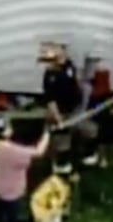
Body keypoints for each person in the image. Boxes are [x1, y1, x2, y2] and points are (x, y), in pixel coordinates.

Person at [39, 43, 101, 174]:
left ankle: (88, 155)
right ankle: (61, 165)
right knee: (62, 141)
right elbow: (51, 102)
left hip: (76, 109)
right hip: (62, 113)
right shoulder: (49, 77)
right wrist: (58, 119)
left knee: (91, 130)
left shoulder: (68, 65)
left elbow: (75, 79)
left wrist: (81, 93)